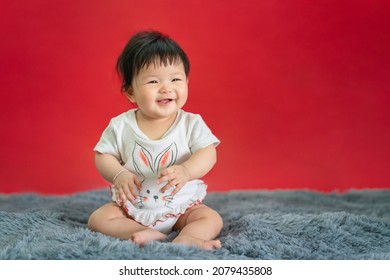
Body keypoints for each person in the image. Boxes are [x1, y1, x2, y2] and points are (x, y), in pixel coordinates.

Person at [88, 31, 223, 250]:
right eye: (153, 81)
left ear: (187, 82)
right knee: (99, 219)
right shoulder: (121, 125)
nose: (166, 88)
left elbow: (208, 153)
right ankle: (140, 232)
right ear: (131, 92)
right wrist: (119, 174)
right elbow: (103, 156)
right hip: (133, 207)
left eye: (176, 79)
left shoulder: (190, 123)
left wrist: (186, 171)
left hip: (181, 206)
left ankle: (188, 236)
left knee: (210, 218)